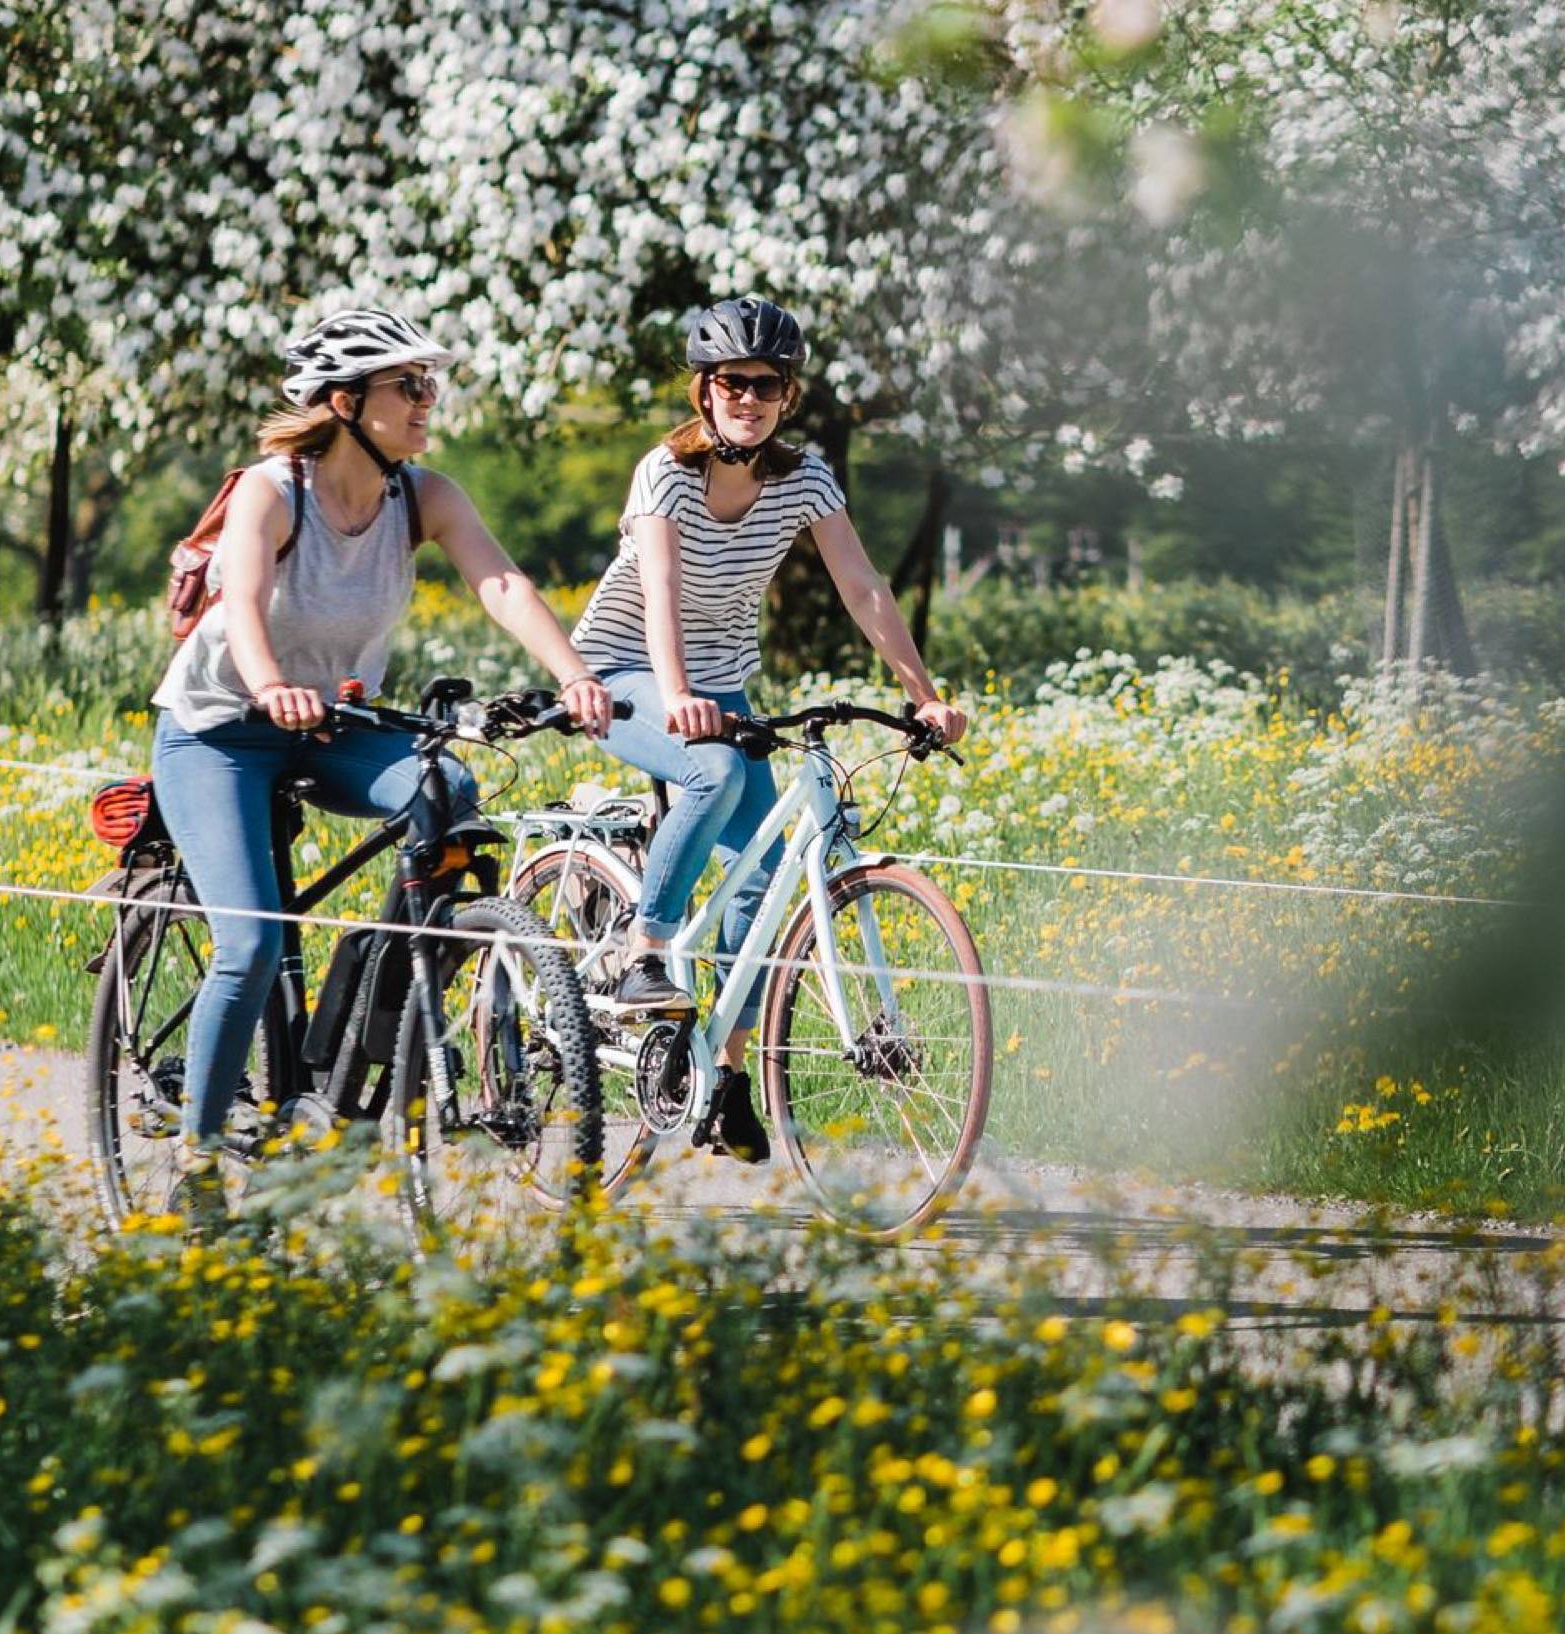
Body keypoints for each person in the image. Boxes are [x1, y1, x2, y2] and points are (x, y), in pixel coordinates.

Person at [148, 305, 618, 1187]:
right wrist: (266, 683)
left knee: (447, 792)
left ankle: (371, 1019)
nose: (426, 400)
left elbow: (503, 582)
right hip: (218, 730)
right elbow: (242, 601)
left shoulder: (423, 494)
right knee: (249, 943)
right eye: (408, 386)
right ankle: (196, 1158)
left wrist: (573, 675)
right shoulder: (272, 490)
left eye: (429, 384)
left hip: (330, 725)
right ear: (344, 402)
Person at [575, 295, 965, 1157]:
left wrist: (923, 695)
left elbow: (862, 587)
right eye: (732, 382)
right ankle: (645, 948)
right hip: (623, 673)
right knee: (709, 776)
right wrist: (676, 695)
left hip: (721, 689)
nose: (748, 397)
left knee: (760, 881)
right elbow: (662, 596)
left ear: (788, 396)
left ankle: (724, 1080)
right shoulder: (662, 473)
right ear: (704, 390)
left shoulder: (805, 478)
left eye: (768, 384)